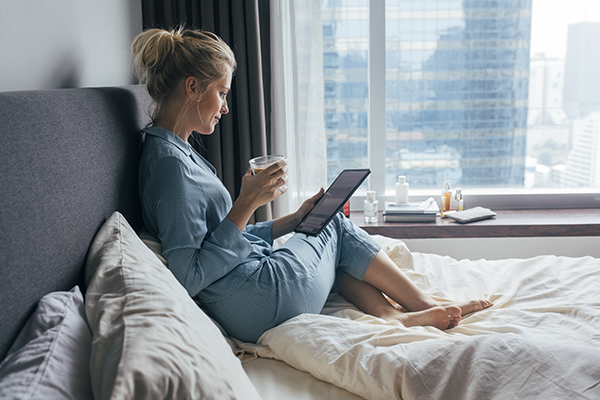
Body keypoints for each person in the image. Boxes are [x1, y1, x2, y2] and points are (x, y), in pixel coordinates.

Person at [132, 27, 492, 343]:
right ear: (193, 87)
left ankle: (392, 316)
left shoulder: (174, 153)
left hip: (251, 293)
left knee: (324, 236)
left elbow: (222, 240)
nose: (225, 107)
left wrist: (292, 220)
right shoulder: (169, 166)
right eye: (222, 93)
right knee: (333, 223)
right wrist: (245, 204)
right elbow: (188, 275)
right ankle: (423, 304)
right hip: (257, 301)